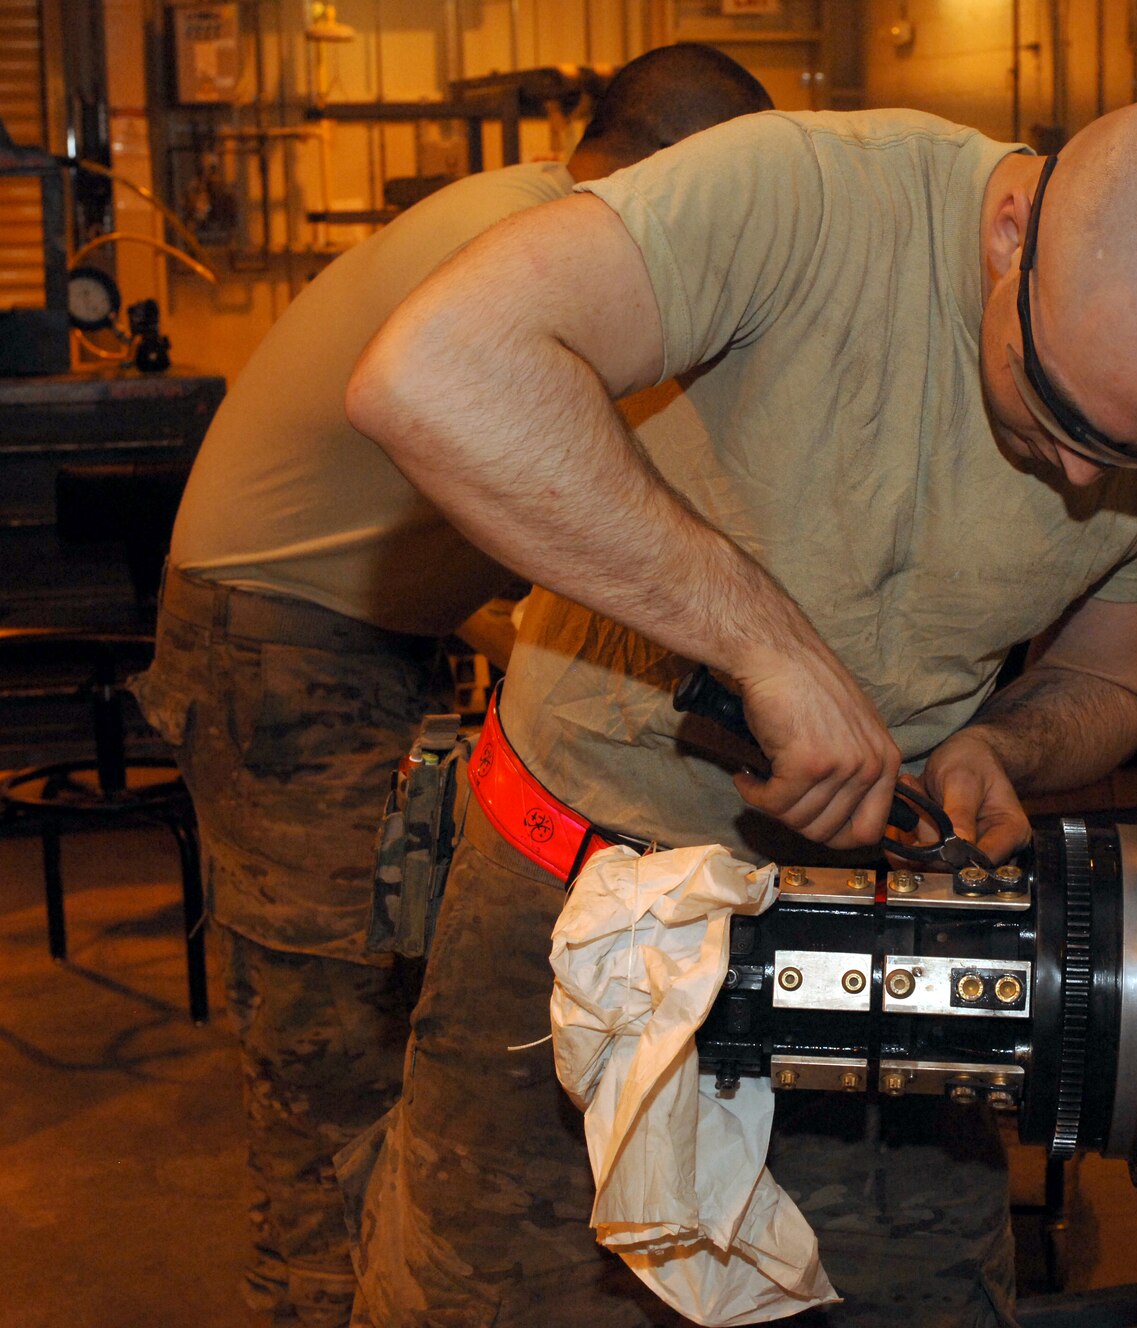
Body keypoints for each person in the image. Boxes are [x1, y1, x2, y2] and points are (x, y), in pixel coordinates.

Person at [341, 96, 1137, 1325]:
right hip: (573, 907)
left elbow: (1116, 676)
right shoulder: (801, 198)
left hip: (881, 933)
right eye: (1066, 417)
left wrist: (998, 746)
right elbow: (430, 372)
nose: (1084, 479)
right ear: (1010, 229)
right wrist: (764, 640)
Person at [130, 45, 773, 1328]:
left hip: (330, 641)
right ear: (685, 172)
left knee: (376, 1010)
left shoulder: (521, 220)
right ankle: (311, 1298)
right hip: (283, 656)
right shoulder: (539, 249)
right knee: (330, 1047)